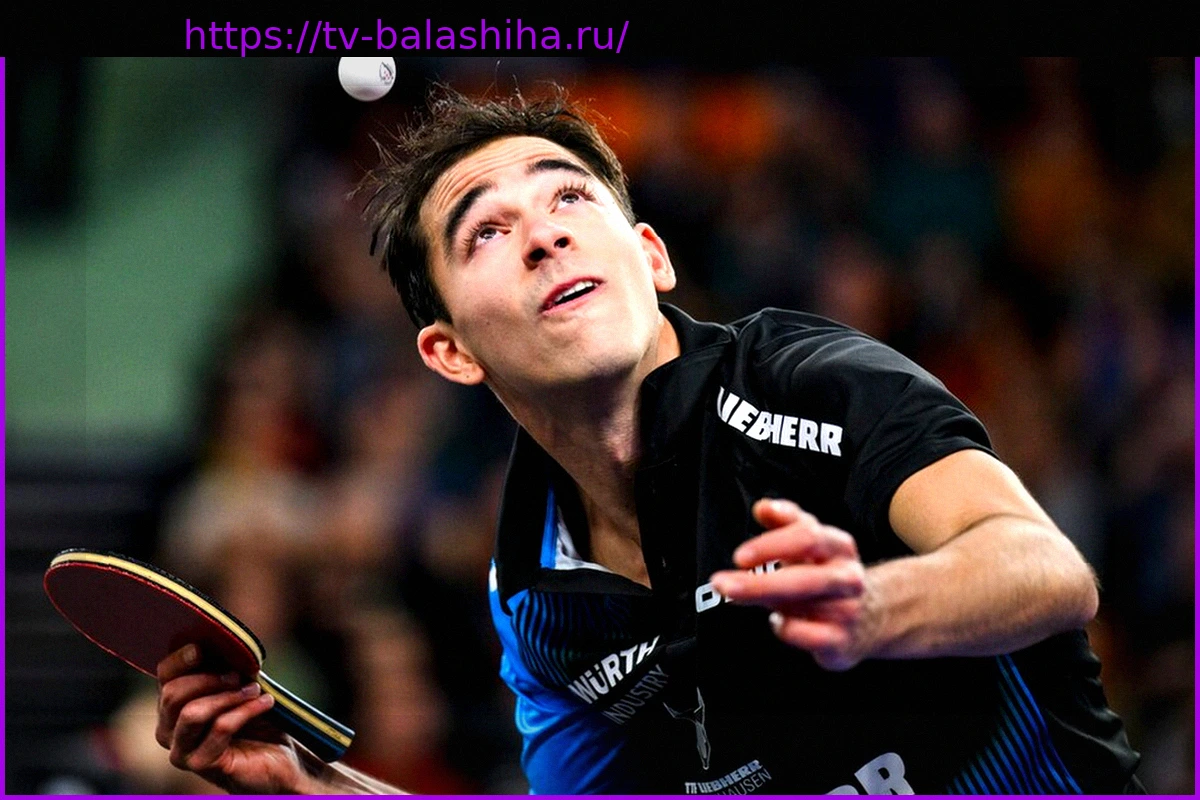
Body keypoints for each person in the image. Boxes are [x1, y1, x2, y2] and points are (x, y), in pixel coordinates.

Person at [153, 87, 1142, 794]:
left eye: (571, 197)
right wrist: (313, 784)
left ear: (651, 255)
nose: (546, 235)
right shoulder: (536, 592)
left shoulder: (808, 380)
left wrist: (874, 608)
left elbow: (1047, 569)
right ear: (450, 351)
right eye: (487, 232)